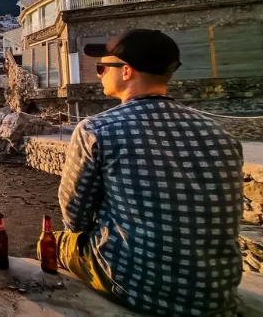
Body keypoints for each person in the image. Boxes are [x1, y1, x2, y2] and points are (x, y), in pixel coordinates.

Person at [54, 29, 244, 316]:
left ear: (127, 72)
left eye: (103, 67)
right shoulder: (220, 134)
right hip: (215, 289)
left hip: (136, 285)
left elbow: (74, 216)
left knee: (57, 242)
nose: (99, 73)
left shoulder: (97, 129)